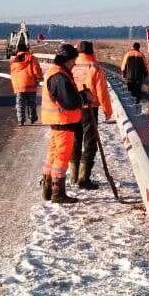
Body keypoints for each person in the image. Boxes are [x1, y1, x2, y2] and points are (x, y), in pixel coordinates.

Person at [41, 44, 92, 204]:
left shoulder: (55, 72)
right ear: (67, 60)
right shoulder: (60, 76)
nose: (74, 64)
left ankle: (48, 187)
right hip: (63, 121)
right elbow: (69, 102)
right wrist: (84, 97)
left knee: (53, 154)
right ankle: (58, 192)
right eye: (73, 61)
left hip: (57, 121)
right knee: (62, 157)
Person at [71, 40, 113, 189]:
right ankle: (84, 178)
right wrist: (108, 111)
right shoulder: (94, 67)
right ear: (92, 52)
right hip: (89, 109)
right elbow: (102, 92)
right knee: (89, 142)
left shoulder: (71, 67)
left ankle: (73, 175)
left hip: (73, 108)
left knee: (75, 140)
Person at [9, 42, 43, 125]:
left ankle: (21, 120)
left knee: (20, 103)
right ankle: (32, 118)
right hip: (30, 84)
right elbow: (36, 70)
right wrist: (39, 77)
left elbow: (13, 72)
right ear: (26, 49)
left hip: (19, 85)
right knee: (31, 103)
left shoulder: (13, 60)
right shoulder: (31, 58)